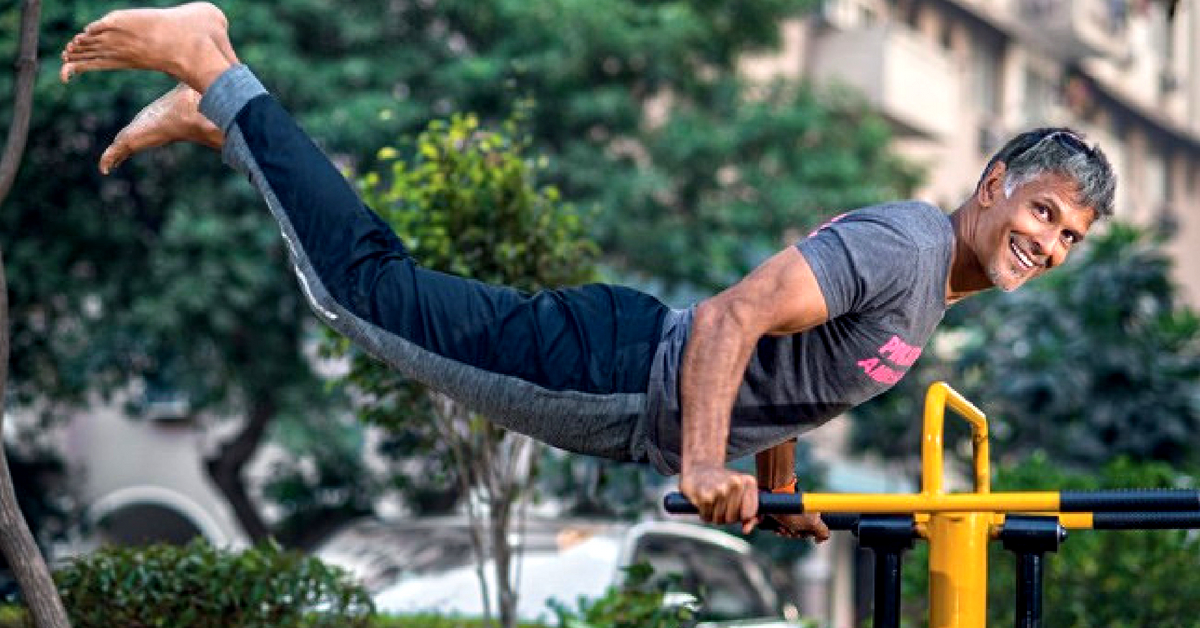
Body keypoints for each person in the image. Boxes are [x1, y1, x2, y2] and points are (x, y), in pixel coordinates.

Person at [59, 2, 1115, 542]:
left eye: (1070, 237)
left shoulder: (931, 287)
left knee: (371, 292)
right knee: (359, 293)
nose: (1049, 242)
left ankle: (223, 120)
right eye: (1042, 212)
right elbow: (733, 320)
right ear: (992, 186)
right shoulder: (908, 247)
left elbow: (786, 361)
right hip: (614, 369)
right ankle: (216, 65)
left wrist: (776, 487)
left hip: (617, 372)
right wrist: (703, 462)